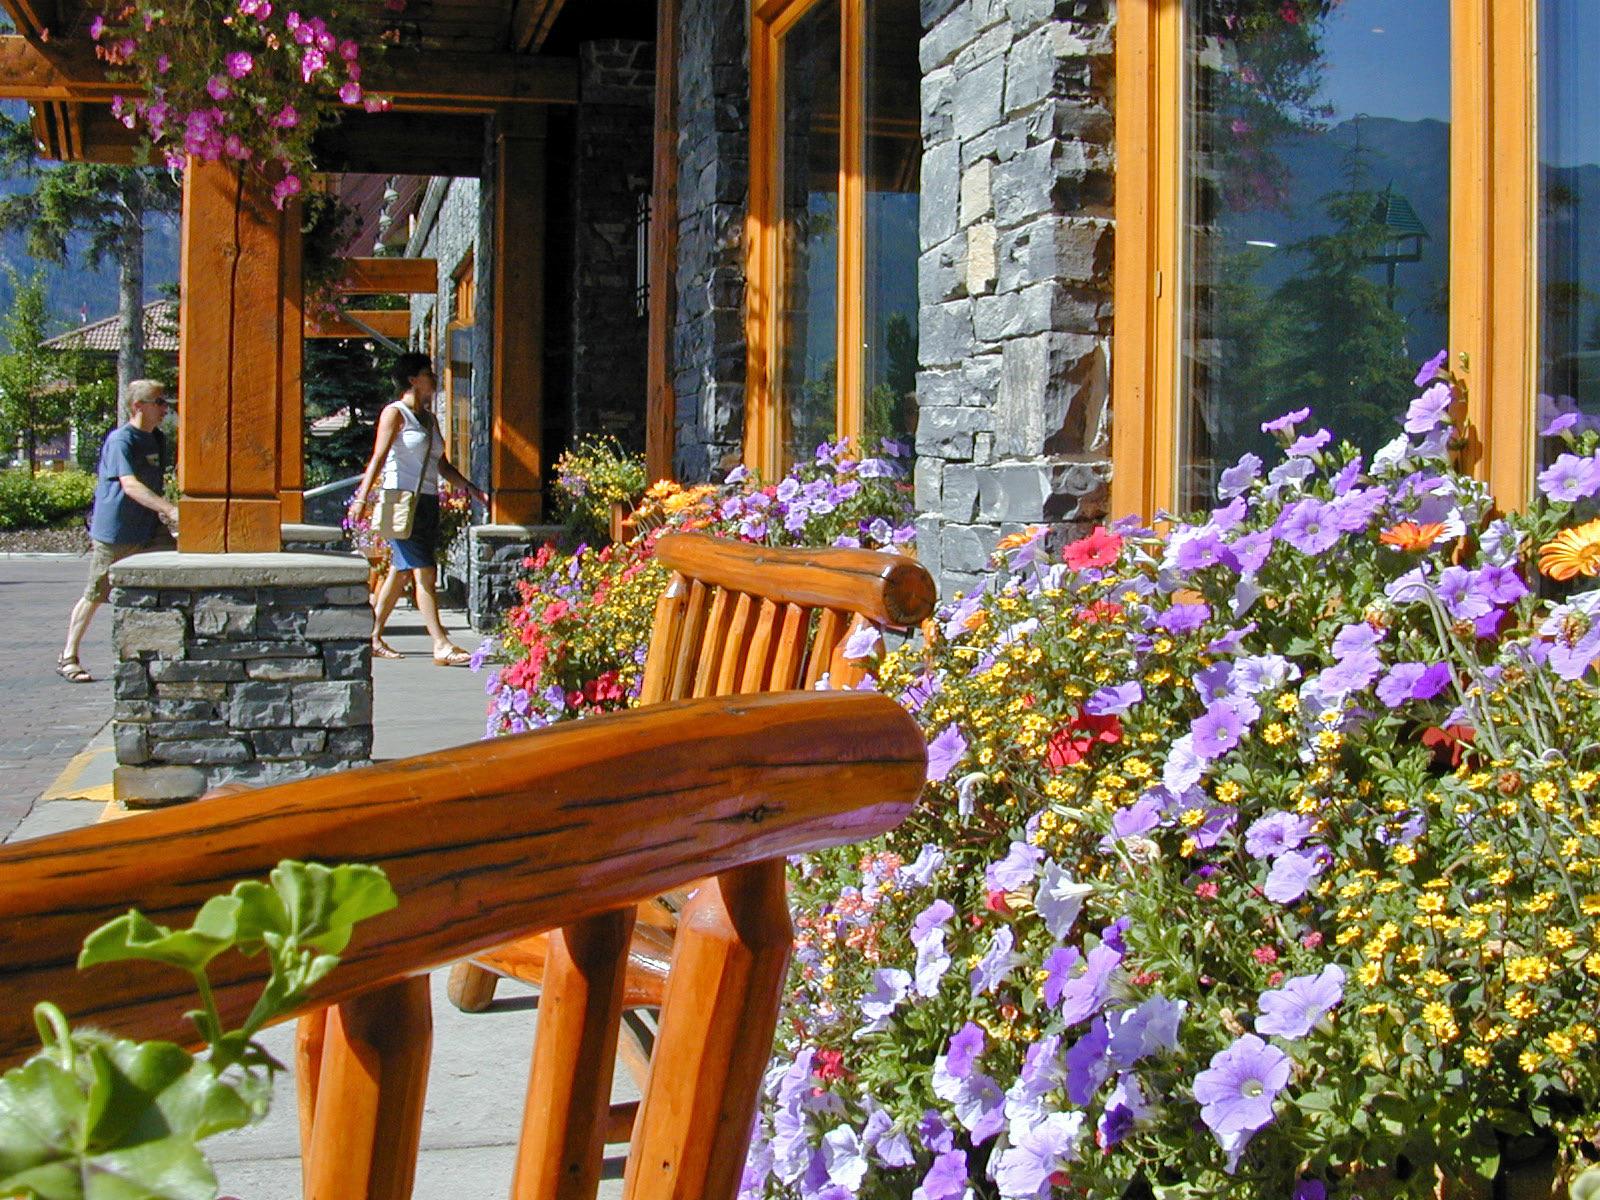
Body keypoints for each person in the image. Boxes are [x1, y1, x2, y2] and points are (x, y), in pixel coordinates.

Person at [348, 352, 487, 665]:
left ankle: (373, 635)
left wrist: (471, 488)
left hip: (425, 502)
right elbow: (379, 458)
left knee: (401, 571)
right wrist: (361, 497)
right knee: (425, 571)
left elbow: (441, 464)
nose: (434, 378)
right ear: (412, 379)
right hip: (400, 500)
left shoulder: (430, 419)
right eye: (428, 373)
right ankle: (440, 643)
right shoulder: (394, 413)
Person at [58, 379, 180, 683]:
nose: (166, 408)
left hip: (149, 528)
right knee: (97, 592)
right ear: (138, 406)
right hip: (117, 531)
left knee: (180, 569)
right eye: (159, 402)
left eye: (165, 402)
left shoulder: (158, 439)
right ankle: (69, 656)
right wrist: (170, 509)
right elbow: (130, 485)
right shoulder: (120, 440)